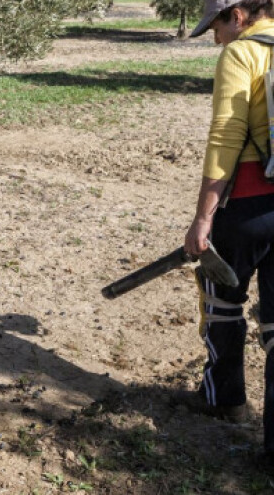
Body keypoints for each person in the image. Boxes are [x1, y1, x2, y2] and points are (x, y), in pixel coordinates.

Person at [182, 0, 274, 460]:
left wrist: (203, 218)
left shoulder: (242, 54)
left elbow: (225, 135)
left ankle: (226, 401)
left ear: (237, 15)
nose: (215, 37)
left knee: (222, 302)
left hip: (250, 206)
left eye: (216, 26)